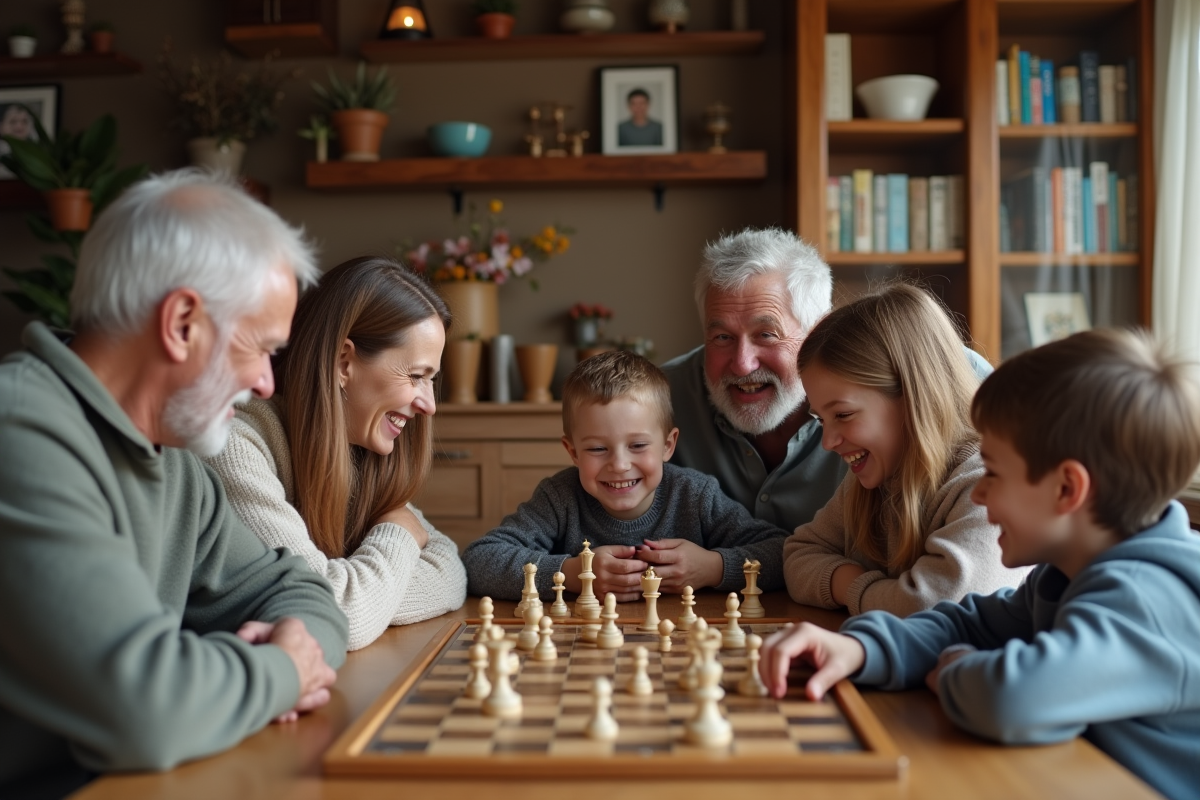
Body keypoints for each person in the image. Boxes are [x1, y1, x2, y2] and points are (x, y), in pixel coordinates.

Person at [0, 170, 349, 798]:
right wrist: (280, 670)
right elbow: (144, 712)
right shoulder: (21, 433)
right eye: (262, 348)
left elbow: (302, 589)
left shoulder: (173, 456)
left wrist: (295, 643)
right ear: (183, 321)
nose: (269, 383)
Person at [759, 328, 1200, 800]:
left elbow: (1013, 698)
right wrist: (860, 650)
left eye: (993, 472)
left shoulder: (1146, 601)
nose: (979, 491)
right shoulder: (1065, 573)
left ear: (1067, 489)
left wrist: (956, 667)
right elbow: (966, 623)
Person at [205, 256, 468, 651]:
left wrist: (363, 592)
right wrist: (397, 535)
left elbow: (450, 571)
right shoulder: (236, 446)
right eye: (415, 376)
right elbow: (336, 613)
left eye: (431, 380)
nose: (428, 404)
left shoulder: (359, 448)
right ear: (344, 362)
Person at [662, 227, 992, 531]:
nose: (743, 364)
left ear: (818, 329)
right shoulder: (659, 399)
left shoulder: (922, 374)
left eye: (766, 334)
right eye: (722, 337)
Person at [462, 350, 790, 602]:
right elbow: (479, 562)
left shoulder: (695, 495)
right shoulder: (560, 498)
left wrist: (712, 567)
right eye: (596, 449)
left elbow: (782, 552)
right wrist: (576, 573)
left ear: (667, 444)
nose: (619, 464)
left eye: (637, 445)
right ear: (572, 451)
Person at [782, 284, 1028, 616]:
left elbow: (936, 605)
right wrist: (873, 589)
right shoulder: (873, 479)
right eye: (821, 419)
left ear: (913, 398)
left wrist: (855, 587)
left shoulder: (987, 482)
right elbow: (799, 554)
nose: (828, 442)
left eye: (842, 415)